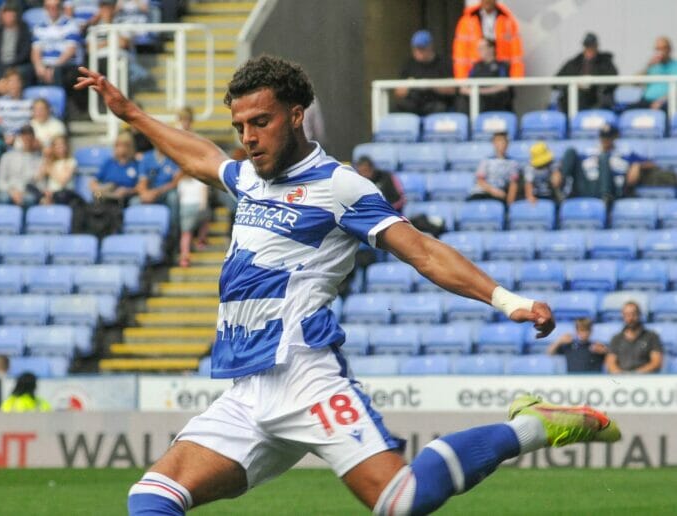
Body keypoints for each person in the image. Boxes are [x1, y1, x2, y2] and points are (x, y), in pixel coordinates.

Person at [77, 56, 620, 516]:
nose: (248, 137)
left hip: (304, 375)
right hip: (248, 389)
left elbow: (424, 251)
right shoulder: (249, 176)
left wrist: (509, 301)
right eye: (240, 125)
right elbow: (203, 158)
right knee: (151, 498)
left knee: (400, 500)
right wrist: (132, 114)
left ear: (296, 115)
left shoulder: (339, 186)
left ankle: (531, 426)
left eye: (260, 122)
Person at [560, 124, 642, 202]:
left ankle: (606, 199)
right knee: (570, 152)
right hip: (588, 185)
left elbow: (648, 163)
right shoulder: (589, 152)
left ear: (615, 137)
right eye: (603, 137)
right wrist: (558, 170)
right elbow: (573, 165)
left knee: (603, 157)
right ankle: (560, 192)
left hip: (613, 188)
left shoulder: (625, 153)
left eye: (609, 137)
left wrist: (636, 165)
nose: (605, 140)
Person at [453, 0, 524, 79]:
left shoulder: (507, 20)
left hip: (501, 72)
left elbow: (516, 53)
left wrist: (516, 78)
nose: (487, 1)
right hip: (476, 72)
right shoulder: (467, 20)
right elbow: (461, 52)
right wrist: (462, 79)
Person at [394, 30, 455, 116]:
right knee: (397, 108)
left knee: (440, 108)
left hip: (435, 102)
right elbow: (398, 92)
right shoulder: (409, 64)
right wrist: (410, 85)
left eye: (422, 48)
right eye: (415, 49)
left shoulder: (443, 63)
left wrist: (431, 85)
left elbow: (453, 90)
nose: (418, 52)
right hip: (414, 103)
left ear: (430, 47)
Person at [555, 33, 618, 111]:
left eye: (592, 46)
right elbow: (556, 82)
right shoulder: (574, 63)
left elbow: (613, 81)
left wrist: (593, 83)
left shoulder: (605, 62)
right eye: (587, 46)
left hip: (596, 98)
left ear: (597, 46)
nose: (589, 49)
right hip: (572, 99)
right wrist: (574, 84)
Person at [31, 0, 84, 88]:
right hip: (46, 65)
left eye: (56, 6)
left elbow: (70, 51)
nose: (52, 9)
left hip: (66, 65)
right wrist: (39, 67)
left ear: (61, 7)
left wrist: (54, 68)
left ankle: (57, 100)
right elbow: (35, 51)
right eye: (49, 7)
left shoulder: (71, 24)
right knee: (26, 72)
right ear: (45, 8)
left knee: (57, 72)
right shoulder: (39, 27)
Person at [606, 301, 663, 374]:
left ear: (639, 315)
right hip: (621, 380)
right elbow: (610, 363)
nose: (630, 318)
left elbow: (656, 362)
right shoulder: (616, 338)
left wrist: (635, 375)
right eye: (627, 314)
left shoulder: (652, 337)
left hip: (645, 379)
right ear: (623, 316)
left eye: (633, 314)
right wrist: (621, 375)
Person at [458, 38, 512, 113]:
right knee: (461, 100)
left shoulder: (501, 66)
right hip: (476, 100)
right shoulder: (476, 66)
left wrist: (480, 91)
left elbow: (504, 87)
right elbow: (464, 87)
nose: (479, 51)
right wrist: (470, 91)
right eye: (478, 48)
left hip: (495, 103)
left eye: (482, 48)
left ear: (491, 49)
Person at [0, 125, 42, 206]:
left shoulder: (39, 159)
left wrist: (21, 192)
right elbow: (0, 182)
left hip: (27, 192)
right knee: (4, 198)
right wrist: (12, 192)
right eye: (24, 137)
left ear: (34, 139)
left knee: (30, 199)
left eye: (29, 138)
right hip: (8, 191)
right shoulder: (7, 157)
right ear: (19, 138)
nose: (27, 141)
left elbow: (38, 182)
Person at [0, 0, 34, 86]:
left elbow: (25, 52)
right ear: (2, 16)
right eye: (6, 14)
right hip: (1, 65)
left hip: (18, 64)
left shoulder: (24, 30)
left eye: (11, 14)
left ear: (16, 15)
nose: (9, 17)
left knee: (20, 72)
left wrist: (11, 64)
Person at [135, 147, 180, 231]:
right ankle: (135, 233)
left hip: (166, 192)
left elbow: (175, 182)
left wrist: (157, 191)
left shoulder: (174, 157)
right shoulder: (147, 157)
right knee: (134, 202)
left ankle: (173, 232)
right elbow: (142, 181)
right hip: (149, 192)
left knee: (173, 198)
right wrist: (144, 194)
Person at [467, 131, 519, 204]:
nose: (501, 144)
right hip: (482, 193)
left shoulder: (513, 163)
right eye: (498, 141)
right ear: (494, 143)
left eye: (503, 141)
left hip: (499, 196)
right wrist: (493, 191)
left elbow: (513, 184)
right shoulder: (486, 160)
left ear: (507, 144)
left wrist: (509, 203)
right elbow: (480, 181)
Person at [89, 130, 140, 203]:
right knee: (98, 195)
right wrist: (99, 188)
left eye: (124, 145)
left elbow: (141, 186)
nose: (121, 148)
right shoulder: (109, 163)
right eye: (118, 145)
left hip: (126, 197)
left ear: (130, 147)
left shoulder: (136, 164)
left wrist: (128, 191)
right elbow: (93, 182)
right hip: (107, 193)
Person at [176, 172, 210, 268]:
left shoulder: (181, 182)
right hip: (196, 206)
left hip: (185, 207)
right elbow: (204, 195)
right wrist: (203, 207)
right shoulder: (201, 181)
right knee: (204, 222)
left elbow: (180, 197)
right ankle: (201, 241)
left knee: (186, 233)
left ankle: (184, 257)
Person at [634, 36, 677, 111]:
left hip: (667, 102)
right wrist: (648, 66)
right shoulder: (652, 65)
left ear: (669, 49)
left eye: (663, 48)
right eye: (657, 49)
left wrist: (661, 101)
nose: (660, 51)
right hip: (646, 100)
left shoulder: (675, 66)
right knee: (627, 109)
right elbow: (635, 83)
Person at [35, 134, 80, 205]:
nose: (60, 147)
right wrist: (46, 158)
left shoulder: (71, 162)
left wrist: (50, 170)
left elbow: (63, 181)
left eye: (62, 145)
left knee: (60, 196)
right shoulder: (51, 163)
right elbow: (38, 178)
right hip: (50, 194)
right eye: (57, 145)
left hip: (64, 193)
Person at [0, 69, 34, 146]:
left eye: (16, 81)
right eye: (11, 82)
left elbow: (31, 123)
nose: (14, 85)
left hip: (23, 138)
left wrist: (16, 136)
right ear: (6, 84)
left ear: (21, 83)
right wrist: (4, 136)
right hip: (4, 138)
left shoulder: (30, 103)